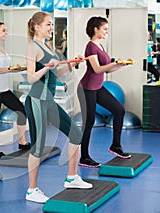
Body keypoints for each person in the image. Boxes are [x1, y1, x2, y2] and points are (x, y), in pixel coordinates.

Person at [24, 11, 92, 204]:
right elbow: (30, 77)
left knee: (76, 134)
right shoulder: (32, 47)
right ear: (37, 27)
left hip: (49, 101)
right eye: (48, 24)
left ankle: (71, 177)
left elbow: (56, 74)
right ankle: (31, 190)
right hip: (36, 101)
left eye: (52, 24)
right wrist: (46, 67)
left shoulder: (47, 46)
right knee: (38, 147)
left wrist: (71, 64)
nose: (52, 28)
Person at [77, 16, 131, 168]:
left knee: (119, 110)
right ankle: (84, 157)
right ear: (96, 29)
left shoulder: (100, 46)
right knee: (89, 122)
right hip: (86, 88)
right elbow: (97, 69)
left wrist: (121, 65)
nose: (107, 31)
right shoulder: (91, 47)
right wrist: (114, 63)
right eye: (104, 29)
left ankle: (116, 146)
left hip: (98, 87)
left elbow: (105, 70)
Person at [0, 22, 30, 159]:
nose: (6, 33)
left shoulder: (2, 49)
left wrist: (20, 68)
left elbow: (6, 67)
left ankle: (22, 141)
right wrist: (11, 69)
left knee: (21, 111)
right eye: (3, 30)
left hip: (4, 90)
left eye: (6, 30)